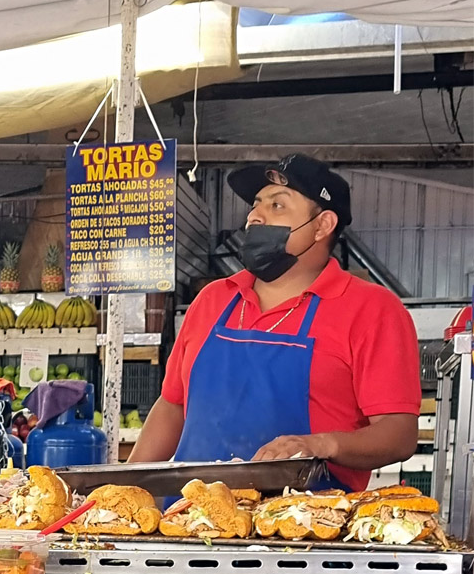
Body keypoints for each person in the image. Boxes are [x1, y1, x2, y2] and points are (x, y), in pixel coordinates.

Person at [128, 153, 421, 491]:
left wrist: (321, 445)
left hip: (304, 527)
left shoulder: (371, 309)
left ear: (322, 225)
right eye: (256, 204)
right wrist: (126, 487)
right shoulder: (214, 299)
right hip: (191, 518)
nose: (255, 216)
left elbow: (399, 434)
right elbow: (172, 405)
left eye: (277, 205)